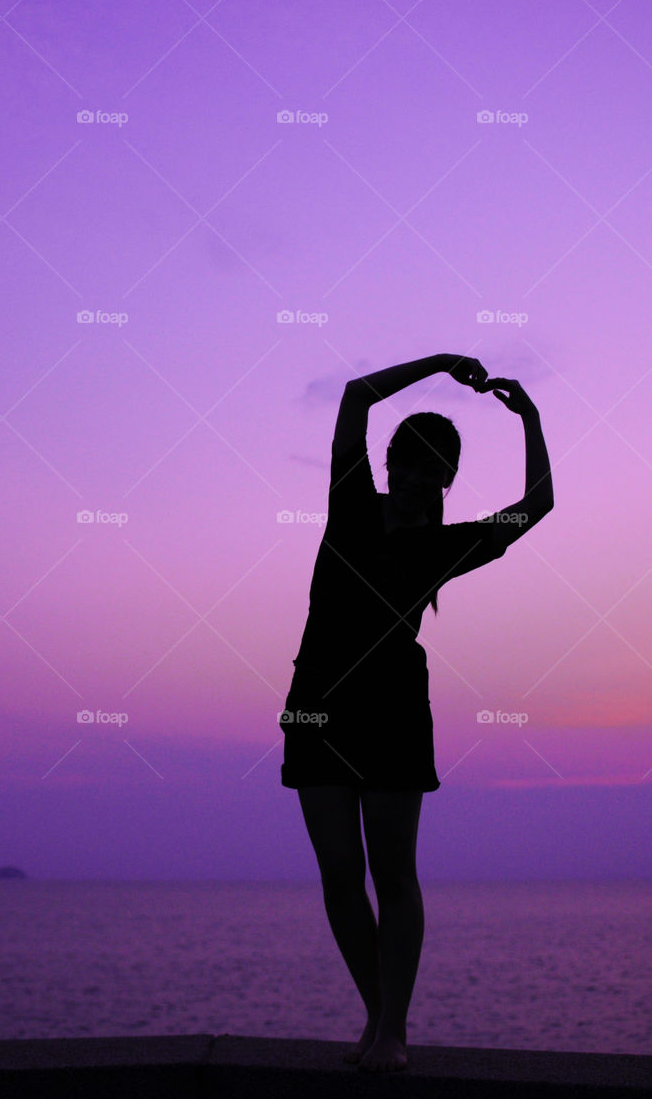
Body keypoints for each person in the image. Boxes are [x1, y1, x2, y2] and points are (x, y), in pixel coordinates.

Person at [279, 353, 554, 1072]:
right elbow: (354, 395)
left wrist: (527, 416)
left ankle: (391, 1032)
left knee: (392, 873)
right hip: (317, 706)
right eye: (407, 462)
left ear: (445, 478)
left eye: (433, 468)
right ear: (390, 464)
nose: (415, 477)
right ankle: (378, 1017)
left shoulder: (443, 546)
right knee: (340, 872)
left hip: (394, 708)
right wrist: (437, 364)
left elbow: (536, 506)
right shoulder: (349, 505)